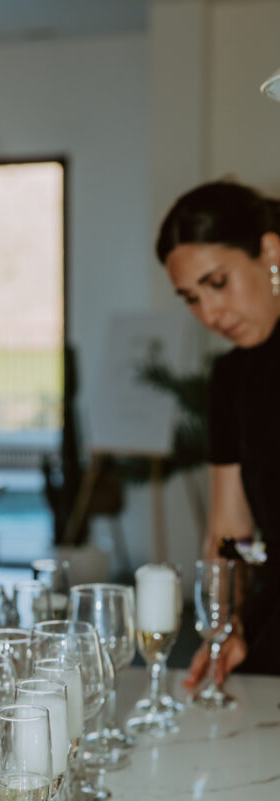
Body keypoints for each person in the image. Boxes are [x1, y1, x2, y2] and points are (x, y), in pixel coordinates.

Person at [156, 179, 280, 686]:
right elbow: (229, 533)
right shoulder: (232, 377)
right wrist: (223, 623)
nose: (209, 314)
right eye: (191, 297)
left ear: (270, 251)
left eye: (218, 282)